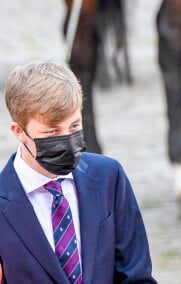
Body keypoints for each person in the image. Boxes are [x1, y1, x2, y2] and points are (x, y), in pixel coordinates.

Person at [0, 60, 157, 283]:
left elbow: (137, 275)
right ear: (19, 131)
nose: (66, 139)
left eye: (74, 126)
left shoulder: (109, 177)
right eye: (51, 132)